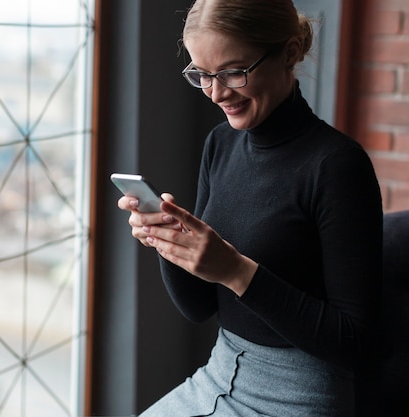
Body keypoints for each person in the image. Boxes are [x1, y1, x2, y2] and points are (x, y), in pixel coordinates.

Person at [117, 0, 383, 415]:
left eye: (233, 72)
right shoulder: (220, 144)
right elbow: (199, 307)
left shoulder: (337, 166)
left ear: (290, 53)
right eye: (202, 75)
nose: (217, 92)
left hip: (300, 393)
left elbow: (355, 343)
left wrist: (237, 272)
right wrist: (167, 241)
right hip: (219, 372)